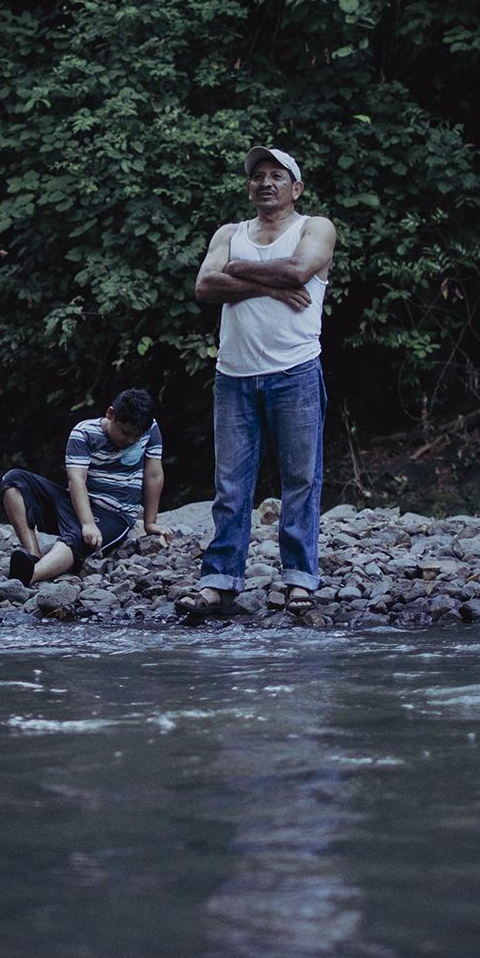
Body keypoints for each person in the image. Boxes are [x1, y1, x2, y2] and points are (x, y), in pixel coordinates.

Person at [181, 146, 336, 620]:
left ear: (297, 187)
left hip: (295, 372)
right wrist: (269, 286)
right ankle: (219, 582)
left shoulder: (315, 227)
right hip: (234, 376)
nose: (266, 183)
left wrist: (236, 269)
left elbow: (298, 270)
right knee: (230, 486)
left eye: (277, 175)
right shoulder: (229, 232)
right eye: (258, 176)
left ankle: (299, 581)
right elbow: (204, 287)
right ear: (249, 187)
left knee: (301, 481)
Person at [0, 387, 165, 586]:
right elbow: (77, 480)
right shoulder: (84, 433)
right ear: (111, 414)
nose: (130, 440)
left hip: (115, 514)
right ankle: (32, 557)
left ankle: (30, 575)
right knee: (14, 480)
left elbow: (153, 475)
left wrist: (150, 522)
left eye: (136, 436)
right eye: (126, 433)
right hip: (77, 503)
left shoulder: (150, 428)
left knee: (76, 538)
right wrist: (87, 523)